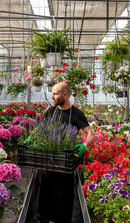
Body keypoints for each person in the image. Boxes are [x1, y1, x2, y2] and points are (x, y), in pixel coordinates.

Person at [37, 82, 95, 223]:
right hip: (49, 162)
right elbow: (38, 130)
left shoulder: (76, 114)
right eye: (52, 94)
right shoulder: (51, 111)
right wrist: (30, 138)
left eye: (55, 94)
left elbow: (91, 134)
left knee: (63, 198)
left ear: (65, 94)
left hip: (65, 163)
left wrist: (84, 145)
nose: (52, 97)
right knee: (46, 197)